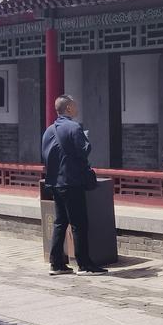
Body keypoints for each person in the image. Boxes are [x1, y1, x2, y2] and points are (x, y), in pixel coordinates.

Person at [42, 94, 107, 276]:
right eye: (75, 105)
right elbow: (84, 151)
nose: (77, 108)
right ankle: (84, 265)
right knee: (79, 223)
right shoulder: (74, 127)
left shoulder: (48, 131)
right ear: (69, 108)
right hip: (71, 182)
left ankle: (57, 264)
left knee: (60, 222)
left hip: (55, 183)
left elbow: (45, 156)